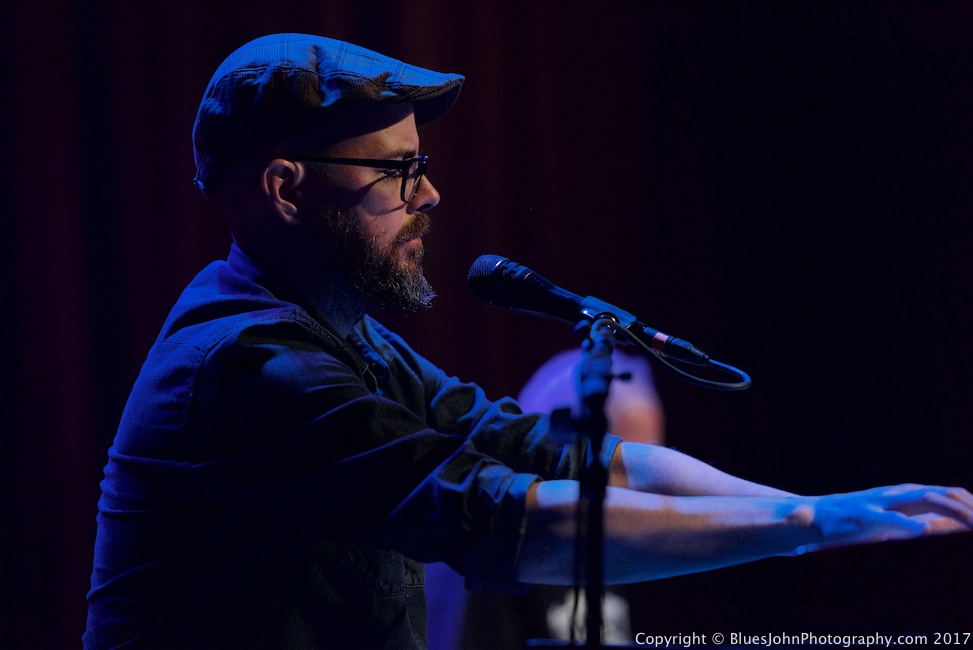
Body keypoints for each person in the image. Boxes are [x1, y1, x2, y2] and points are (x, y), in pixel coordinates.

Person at [83, 33, 973, 649]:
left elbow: (561, 457)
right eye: (399, 171)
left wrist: (809, 505)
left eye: (422, 166)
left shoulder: (348, 336)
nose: (428, 196)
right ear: (283, 187)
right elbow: (512, 520)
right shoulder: (246, 365)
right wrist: (805, 527)